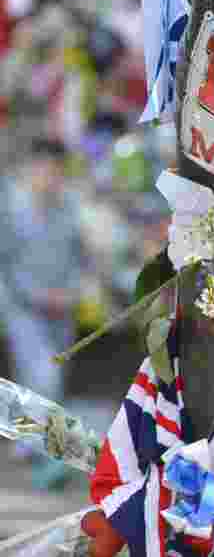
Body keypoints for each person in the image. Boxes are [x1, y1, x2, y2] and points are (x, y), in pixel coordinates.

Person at [0, 138, 82, 489]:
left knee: (50, 385)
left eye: (56, 169)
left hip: (61, 311)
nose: (49, 176)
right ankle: (50, 462)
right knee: (43, 378)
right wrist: (34, 296)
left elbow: (79, 259)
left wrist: (72, 293)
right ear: (31, 169)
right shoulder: (12, 211)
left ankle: (36, 455)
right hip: (24, 310)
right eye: (43, 168)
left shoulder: (68, 210)